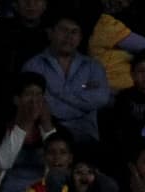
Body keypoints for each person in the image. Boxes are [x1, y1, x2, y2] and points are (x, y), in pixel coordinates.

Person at [21, 14, 111, 145]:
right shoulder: (33, 66)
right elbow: (36, 104)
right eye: (63, 30)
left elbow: (101, 98)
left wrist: (58, 94)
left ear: (80, 38)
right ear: (50, 33)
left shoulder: (94, 66)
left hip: (86, 136)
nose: (69, 36)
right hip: (45, 137)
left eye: (74, 32)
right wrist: (82, 103)